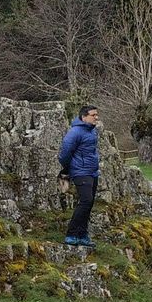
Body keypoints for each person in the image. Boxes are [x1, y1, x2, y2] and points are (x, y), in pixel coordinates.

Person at [58, 105, 101, 247]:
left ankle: (82, 234)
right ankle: (71, 234)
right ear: (84, 117)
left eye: (96, 115)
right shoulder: (75, 132)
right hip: (80, 172)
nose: (96, 117)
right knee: (85, 201)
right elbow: (65, 153)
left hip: (92, 172)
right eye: (93, 115)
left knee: (89, 203)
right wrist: (68, 168)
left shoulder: (92, 131)